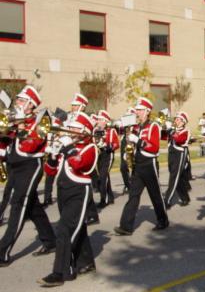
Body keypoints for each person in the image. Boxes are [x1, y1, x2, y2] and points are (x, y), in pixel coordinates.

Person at [37, 112, 98, 287]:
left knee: (65, 230)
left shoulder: (90, 148)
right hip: (63, 192)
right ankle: (86, 263)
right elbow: (49, 172)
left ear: (84, 131)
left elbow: (79, 164)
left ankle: (61, 272)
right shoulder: (68, 146)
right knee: (77, 228)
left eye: (74, 128)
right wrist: (54, 156)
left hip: (79, 192)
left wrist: (68, 147)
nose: (69, 131)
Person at [0, 86, 56, 267]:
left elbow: (30, 145)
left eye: (22, 100)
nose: (17, 102)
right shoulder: (15, 119)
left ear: (31, 104)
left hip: (30, 166)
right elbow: (6, 140)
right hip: (16, 165)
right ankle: (50, 241)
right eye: (18, 100)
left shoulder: (41, 121)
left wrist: (21, 127)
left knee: (18, 205)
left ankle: (3, 252)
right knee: (32, 207)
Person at [114, 97, 169, 236]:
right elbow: (135, 144)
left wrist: (137, 141)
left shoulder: (153, 126)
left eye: (139, 110)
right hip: (138, 165)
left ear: (147, 111)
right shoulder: (137, 127)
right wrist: (129, 151)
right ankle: (126, 226)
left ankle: (163, 220)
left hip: (149, 164)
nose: (137, 112)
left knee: (155, 194)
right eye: (137, 109)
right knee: (133, 195)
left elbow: (154, 148)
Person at [165, 112, 191, 208]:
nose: (175, 120)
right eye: (175, 119)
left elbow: (179, 139)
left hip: (179, 154)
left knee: (173, 177)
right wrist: (165, 128)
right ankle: (185, 198)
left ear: (183, 121)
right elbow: (162, 136)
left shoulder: (186, 130)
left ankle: (167, 200)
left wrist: (171, 130)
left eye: (177, 119)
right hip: (171, 154)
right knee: (177, 178)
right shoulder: (173, 130)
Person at [94, 110, 119, 209]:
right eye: (98, 119)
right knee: (104, 176)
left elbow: (116, 144)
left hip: (108, 155)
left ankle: (104, 200)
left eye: (100, 120)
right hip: (100, 155)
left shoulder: (111, 131)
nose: (98, 121)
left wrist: (107, 145)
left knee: (103, 177)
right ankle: (111, 197)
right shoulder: (96, 130)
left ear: (105, 121)